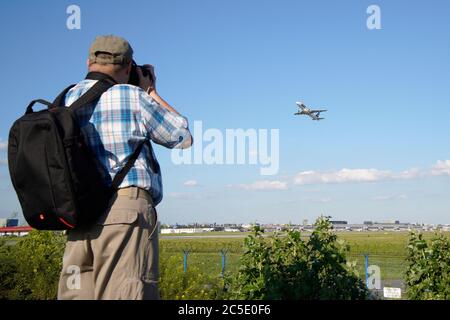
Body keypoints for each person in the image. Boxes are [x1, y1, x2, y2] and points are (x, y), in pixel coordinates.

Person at [57, 35, 192, 300]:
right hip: (123, 210)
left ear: (89, 62)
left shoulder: (65, 99)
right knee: (125, 291)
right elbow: (182, 136)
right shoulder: (131, 96)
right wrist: (150, 91)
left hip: (78, 213)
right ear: (129, 67)